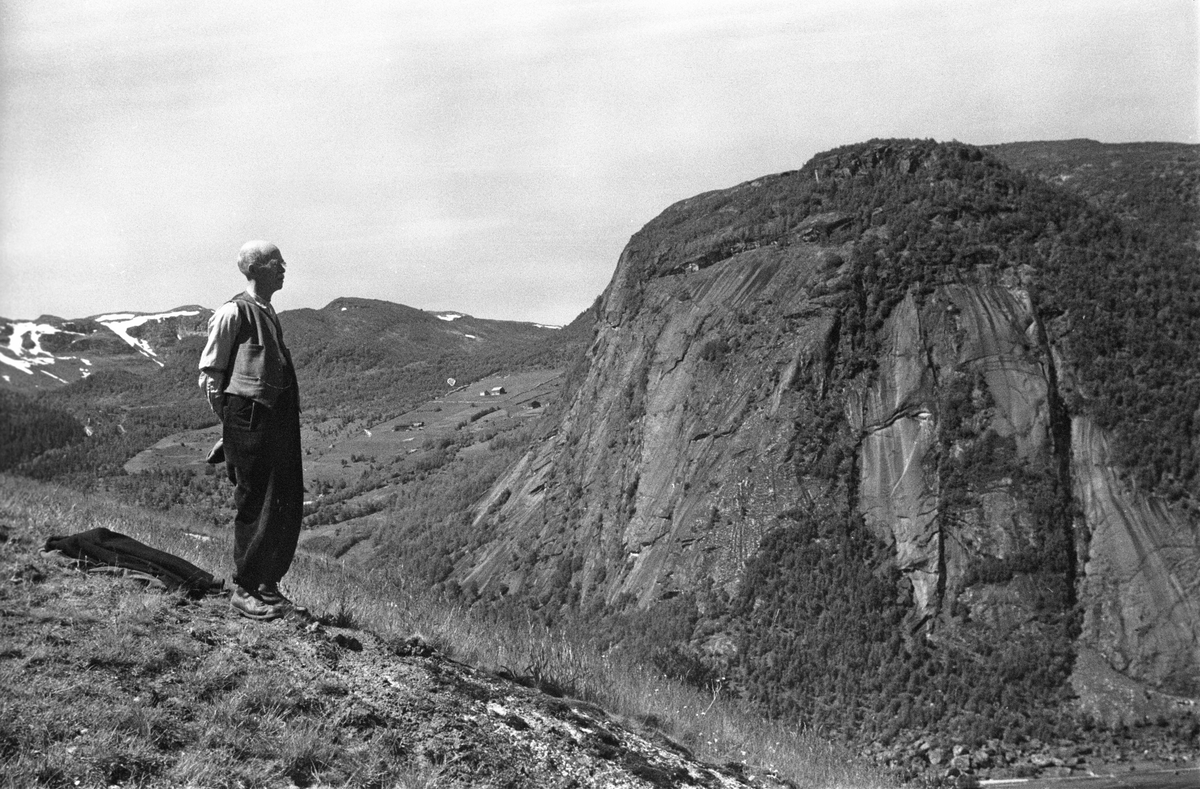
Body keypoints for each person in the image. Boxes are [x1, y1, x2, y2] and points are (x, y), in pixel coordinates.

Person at [198, 240, 306, 620]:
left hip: (274, 422)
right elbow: (211, 375)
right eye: (277, 261)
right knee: (255, 502)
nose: (284, 266)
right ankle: (245, 589)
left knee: (282, 502)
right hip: (250, 420)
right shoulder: (233, 312)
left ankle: (266, 584)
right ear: (257, 268)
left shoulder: (268, 311)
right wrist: (230, 427)